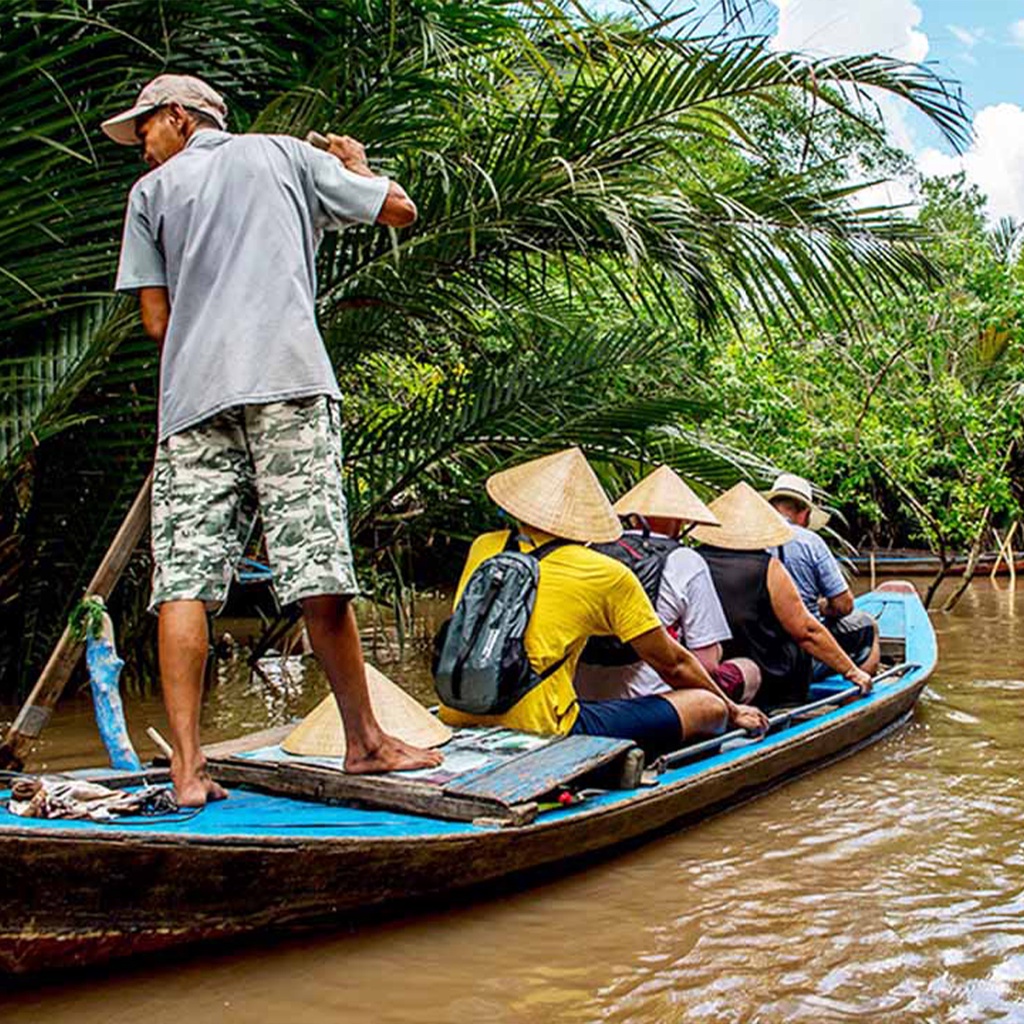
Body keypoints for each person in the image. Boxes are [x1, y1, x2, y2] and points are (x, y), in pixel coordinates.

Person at [104, 73, 441, 805]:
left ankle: (189, 770)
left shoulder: (150, 198)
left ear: (179, 118)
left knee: (184, 579)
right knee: (316, 560)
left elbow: (157, 325)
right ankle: (365, 742)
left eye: (145, 132)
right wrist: (352, 164)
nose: (141, 150)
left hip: (192, 399)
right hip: (285, 379)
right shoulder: (284, 156)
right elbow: (398, 208)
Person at [437, 448, 769, 756]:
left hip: (459, 707)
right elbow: (674, 664)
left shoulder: (485, 548)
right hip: (545, 727)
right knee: (706, 704)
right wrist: (733, 709)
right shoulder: (603, 572)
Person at [575, 465, 761, 704]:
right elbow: (707, 665)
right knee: (748, 669)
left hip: (582, 698)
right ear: (680, 519)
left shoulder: (591, 550)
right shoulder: (685, 560)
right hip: (651, 701)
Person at [691, 483, 873, 709]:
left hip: (720, 666)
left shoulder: (691, 560)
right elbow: (806, 631)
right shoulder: (767, 567)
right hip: (773, 675)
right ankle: (858, 702)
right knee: (866, 626)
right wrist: (851, 672)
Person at [764, 474, 880, 679]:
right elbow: (844, 605)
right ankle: (857, 692)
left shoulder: (748, 538)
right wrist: (822, 607)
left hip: (759, 644)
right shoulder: (810, 542)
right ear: (804, 513)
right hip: (802, 649)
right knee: (868, 625)